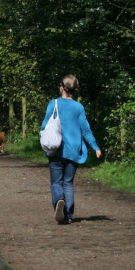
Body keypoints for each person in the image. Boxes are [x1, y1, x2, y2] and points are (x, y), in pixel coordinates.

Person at [41, 74, 102, 225]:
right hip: (74, 150)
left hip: (56, 149)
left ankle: (59, 200)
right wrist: (95, 147)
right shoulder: (78, 107)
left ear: (61, 87)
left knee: (56, 182)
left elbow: (44, 125)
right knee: (68, 183)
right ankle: (68, 215)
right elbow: (85, 129)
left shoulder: (53, 103)